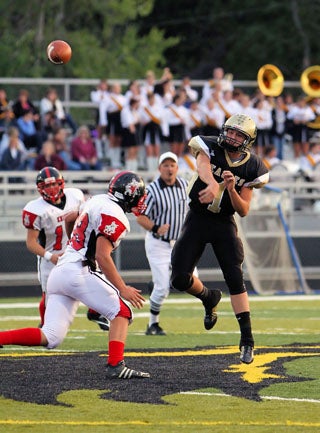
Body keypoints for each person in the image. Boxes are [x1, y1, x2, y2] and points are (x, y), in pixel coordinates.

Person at [1, 171, 150, 380]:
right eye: (140, 195)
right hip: (78, 270)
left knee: (51, 336)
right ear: (130, 195)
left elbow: (70, 217)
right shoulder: (116, 215)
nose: (142, 200)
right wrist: (122, 288)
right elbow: (102, 255)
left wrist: (74, 243)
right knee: (122, 312)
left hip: (60, 270)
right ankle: (116, 365)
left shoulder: (97, 199)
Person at [170, 114, 269, 364]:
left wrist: (232, 188)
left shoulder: (253, 166)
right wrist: (213, 183)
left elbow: (244, 210)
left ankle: (247, 340)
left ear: (247, 140)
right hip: (198, 218)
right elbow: (203, 164)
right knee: (180, 279)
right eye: (230, 131)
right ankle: (208, 297)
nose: (232, 137)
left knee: (235, 278)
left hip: (224, 223)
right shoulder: (209, 144)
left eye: (238, 134)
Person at [21, 167, 109, 332]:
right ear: (40, 188)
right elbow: (31, 243)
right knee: (50, 295)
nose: (51, 189)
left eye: (54, 184)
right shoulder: (34, 209)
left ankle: (96, 312)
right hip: (50, 257)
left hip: (75, 250)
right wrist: (51, 256)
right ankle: (45, 325)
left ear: (61, 184)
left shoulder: (75, 196)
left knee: (96, 278)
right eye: (46, 186)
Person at [136, 152, 189, 335]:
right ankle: (153, 324)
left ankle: (158, 284)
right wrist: (156, 227)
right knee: (162, 289)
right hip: (158, 243)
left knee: (190, 281)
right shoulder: (151, 190)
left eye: (172, 165)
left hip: (181, 244)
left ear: (177, 167)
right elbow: (140, 217)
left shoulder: (184, 185)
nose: (169, 168)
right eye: (165, 165)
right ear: (159, 168)